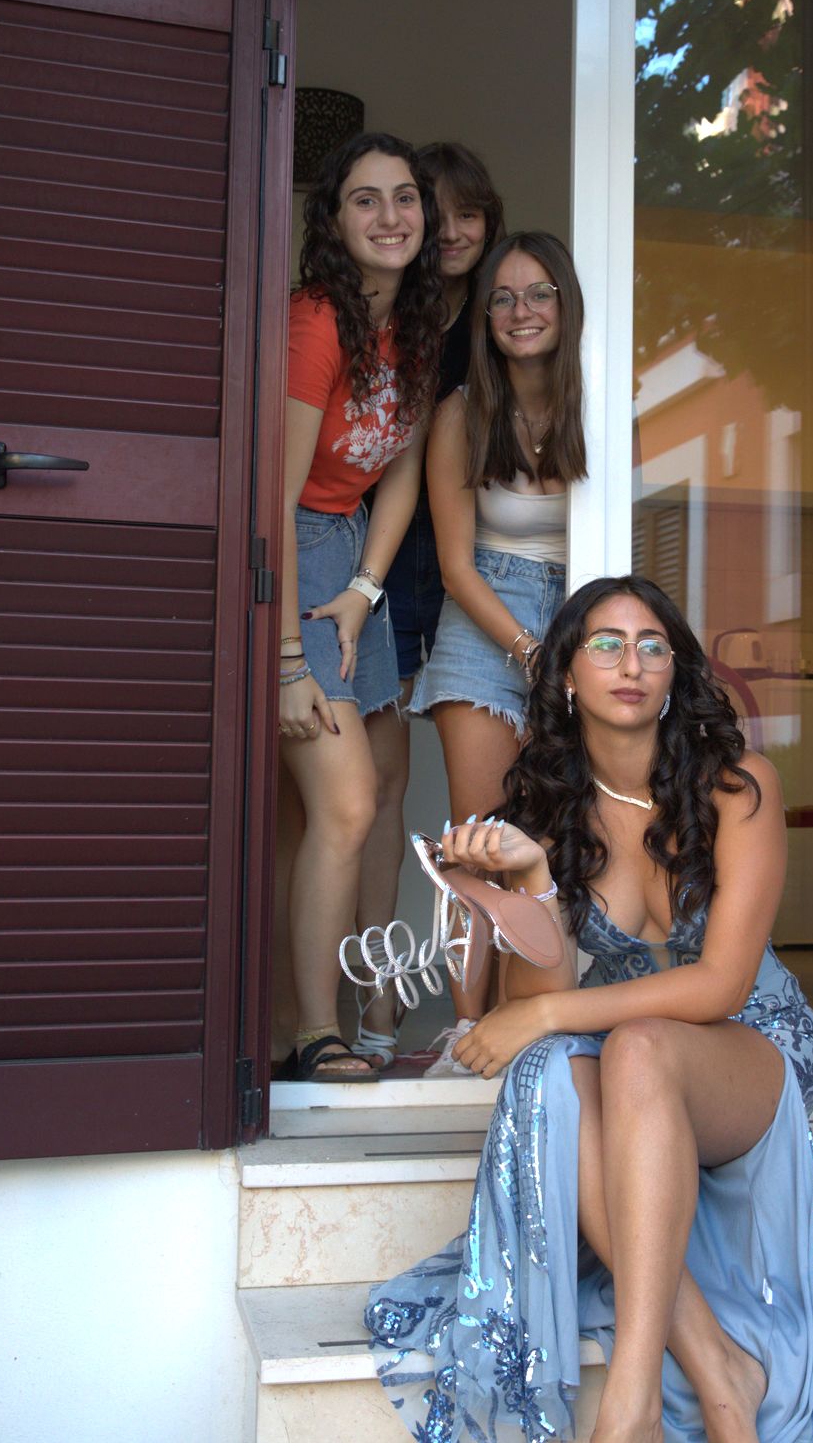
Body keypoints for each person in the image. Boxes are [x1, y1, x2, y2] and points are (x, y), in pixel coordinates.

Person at [366, 577, 813, 1443]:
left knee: (629, 1047)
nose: (632, 664)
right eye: (607, 645)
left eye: (652, 646)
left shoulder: (740, 789)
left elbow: (721, 986)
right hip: (633, 1051)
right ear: (566, 675)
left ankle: (630, 1402)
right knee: (557, 1073)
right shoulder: (544, 814)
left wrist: (550, 1018)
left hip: (749, 1047)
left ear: (675, 674)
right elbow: (530, 1001)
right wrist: (531, 883)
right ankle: (717, 1369)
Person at [275, 131, 442, 1083]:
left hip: (351, 555)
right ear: (334, 221)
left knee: (359, 797)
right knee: (341, 802)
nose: (390, 216)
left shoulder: (414, 328)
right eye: (366, 199)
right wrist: (284, 660)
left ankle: (296, 1017)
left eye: (405, 197)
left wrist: (365, 588)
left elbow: (403, 472)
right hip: (292, 545)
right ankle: (314, 1031)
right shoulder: (317, 322)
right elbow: (273, 497)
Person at [404, 230, 586, 1076]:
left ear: (566, 305)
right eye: (503, 298)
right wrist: (527, 651)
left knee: (552, 837)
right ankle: (467, 1030)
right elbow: (454, 565)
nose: (521, 311)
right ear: (484, 317)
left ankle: (531, 1019)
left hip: (578, 617)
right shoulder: (460, 414)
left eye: (539, 293)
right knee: (476, 845)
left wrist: (574, 649)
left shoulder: (598, 402)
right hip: (485, 622)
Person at [349, 142, 506, 1070]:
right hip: (378, 566)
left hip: (468, 576)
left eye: (466, 213)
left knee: (478, 810)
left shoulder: (501, 322)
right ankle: (373, 1008)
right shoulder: (386, 320)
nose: (447, 230)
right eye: (431, 210)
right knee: (375, 794)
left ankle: (489, 1010)